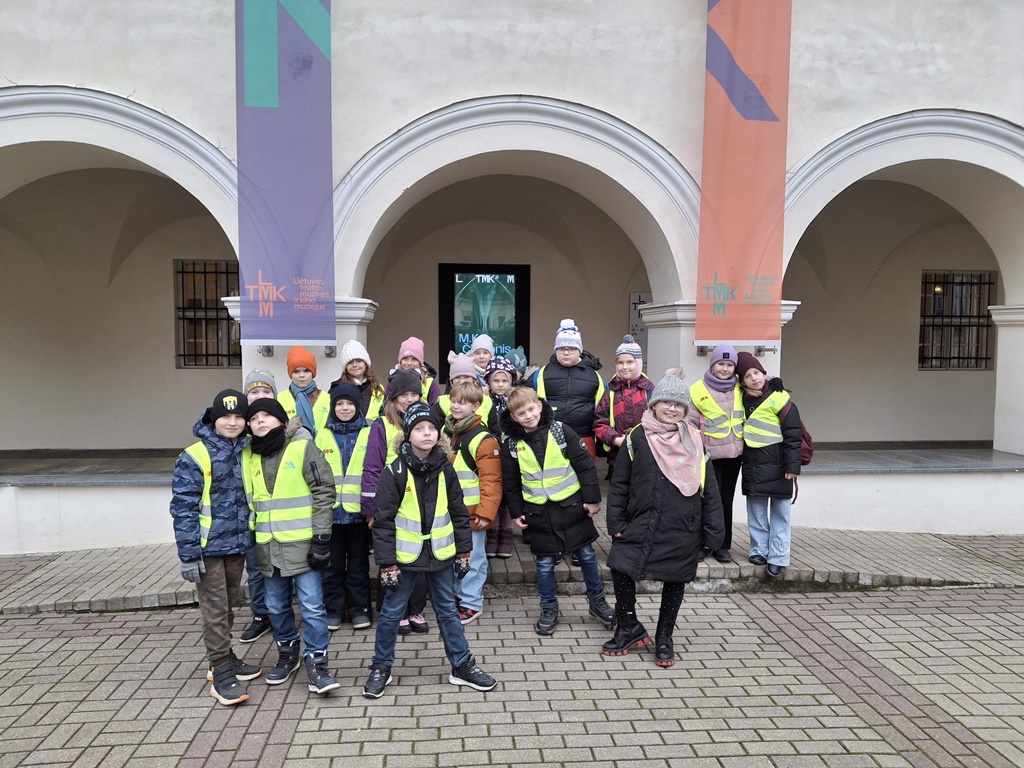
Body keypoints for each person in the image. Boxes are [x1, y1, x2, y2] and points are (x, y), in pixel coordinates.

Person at [363, 403, 497, 698]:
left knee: (447, 610)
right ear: (407, 434)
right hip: (404, 559)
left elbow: (459, 513)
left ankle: (462, 665)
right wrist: (386, 563)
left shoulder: (446, 469)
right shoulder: (394, 472)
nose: (427, 433)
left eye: (432, 428)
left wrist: (464, 551)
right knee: (391, 613)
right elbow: (383, 522)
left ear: (439, 433)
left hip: (441, 555)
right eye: (419, 428)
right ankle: (381, 667)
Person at [602, 370, 724, 667]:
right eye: (667, 402)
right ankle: (628, 626)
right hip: (640, 521)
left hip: (682, 524)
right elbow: (620, 484)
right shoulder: (636, 437)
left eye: (679, 404)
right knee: (620, 566)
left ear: (686, 410)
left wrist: (712, 534)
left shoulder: (695, 441)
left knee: (675, 578)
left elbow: (710, 490)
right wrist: (616, 523)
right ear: (654, 404)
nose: (672, 408)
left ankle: (665, 636)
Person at [242, 398, 340, 695]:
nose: (260, 421)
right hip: (267, 546)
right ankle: (287, 652)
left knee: (312, 606)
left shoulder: (302, 448)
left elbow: (324, 490)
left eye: (266, 416)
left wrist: (321, 537)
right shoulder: (248, 455)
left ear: (281, 420)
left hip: (303, 544)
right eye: (254, 418)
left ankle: (317, 661)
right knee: (275, 605)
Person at [170, 389, 262, 706]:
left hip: (237, 545)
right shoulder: (194, 456)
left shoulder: (248, 451)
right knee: (215, 610)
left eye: (238, 416)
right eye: (225, 416)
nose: (232, 422)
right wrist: (188, 554)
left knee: (228, 606)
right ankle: (220, 671)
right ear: (213, 419)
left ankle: (223, 655)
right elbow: (183, 508)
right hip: (206, 549)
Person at [499, 386, 614, 635]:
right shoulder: (511, 444)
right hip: (538, 512)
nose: (528, 416)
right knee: (544, 563)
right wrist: (517, 511)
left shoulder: (561, 430)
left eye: (531, 409)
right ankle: (549, 608)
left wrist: (592, 499)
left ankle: (598, 602)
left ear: (539, 406)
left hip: (572, 506)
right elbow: (511, 481)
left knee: (586, 556)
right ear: (513, 417)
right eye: (521, 413)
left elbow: (585, 466)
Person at [361, 368, 430, 634]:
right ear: (394, 397)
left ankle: (415, 609)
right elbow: (372, 468)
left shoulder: (427, 421)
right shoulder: (381, 425)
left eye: (414, 394)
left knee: (420, 555)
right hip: (390, 501)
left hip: (420, 500)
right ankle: (394, 609)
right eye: (404, 395)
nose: (409, 399)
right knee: (392, 556)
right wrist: (371, 510)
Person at [735, 352, 802, 579]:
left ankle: (778, 557)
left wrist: (792, 467)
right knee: (756, 510)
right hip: (753, 463)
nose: (754, 378)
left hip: (780, 465)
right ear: (742, 382)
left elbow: (793, 435)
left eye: (756, 372)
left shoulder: (780, 398)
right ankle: (759, 550)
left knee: (781, 512)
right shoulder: (740, 399)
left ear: (763, 373)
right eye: (747, 375)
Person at [315, 383, 373, 631]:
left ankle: (360, 609)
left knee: (359, 565)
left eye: (350, 403)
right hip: (330, 514)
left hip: (358, 514)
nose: (345, 408)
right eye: (340, 403)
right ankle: (333, 610)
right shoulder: (322, 434)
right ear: (333, 407)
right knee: (332, 567)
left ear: (358, 406)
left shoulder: (370, 432)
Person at [443, 381, 502, 624]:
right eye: (453, 401)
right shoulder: (447, 431)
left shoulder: (484, 439)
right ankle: (458, 596)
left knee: (473, 558)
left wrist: (486, 514)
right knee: (454, 557)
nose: (456, 406)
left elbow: (492, 480)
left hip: (473, 512)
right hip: (449, 511)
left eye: (463, 402)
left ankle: (471, 603)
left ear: (476, 406)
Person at [688, 345, 744, 563]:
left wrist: (773, 380)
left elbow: (760, 382)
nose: (725, 369)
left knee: (726, 500)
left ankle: (722, 545)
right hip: (708, 456)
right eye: (721, 363)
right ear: (713, 365)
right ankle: (702, 544)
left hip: (734, 455)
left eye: (729, 365)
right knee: (706, 500)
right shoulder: (697, 389)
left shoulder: (741, 387)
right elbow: (690, 423)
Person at [237, 369, 279, 645]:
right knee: (255, 569)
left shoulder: (288, 431)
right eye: (254, 391)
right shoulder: (240, 434)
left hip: (283, 516)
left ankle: (281, 614)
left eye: (266, 391)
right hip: (251, 515)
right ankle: (261, 615)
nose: (259, 396)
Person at [526, 319, 605, 458]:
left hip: (584, 436)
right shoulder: (540, 375)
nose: (566, 352)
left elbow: (605, 408)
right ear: (556, 350)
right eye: (562, 348)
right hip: (549, 436)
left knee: (585, 471)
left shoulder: (594, 377)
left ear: (580, 351)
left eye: (572, 348)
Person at [594, 334, 654, 479]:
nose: (625, 367)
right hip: (617, 456)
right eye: (620, 362)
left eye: (630, 362)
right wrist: (615, 439)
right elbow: (599, 423)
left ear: (638, 363)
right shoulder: (610, 391)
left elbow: (659, 421)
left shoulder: (650, 390)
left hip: (646, 455)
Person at [482, 356, 519, 558]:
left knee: (508, 494)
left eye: (505, 380)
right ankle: (492, 533)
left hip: (511, 454)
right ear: (488, 380)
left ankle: (506, 534)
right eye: (496, 380)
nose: (501, 384)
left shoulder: (514, 401)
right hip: (490, 454)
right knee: (493, 492)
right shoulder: (484, 401)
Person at [433, 352, 497, 432]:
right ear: (451, 381)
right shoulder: (442, 403)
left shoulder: (487, 401)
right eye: (457, 377)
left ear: (474, 380)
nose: (462, 381)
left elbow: (495, 433)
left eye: (466, 377)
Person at [278, 346, 330, 436]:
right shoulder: (279, 398)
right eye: (296, 371)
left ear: (312, 373)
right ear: (290, 374)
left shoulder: (328, 398)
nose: (301, 375)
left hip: (322, 444)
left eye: (306, 371)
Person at [331, 340, 386, 421]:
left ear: (365, 363)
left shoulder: (378, 389)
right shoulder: (336, 388)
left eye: (358, 361)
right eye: (350, 362)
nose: (354, 365)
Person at [394, 336, 441, 405]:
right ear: (400, 361)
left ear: (420, 363)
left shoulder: (430, 383)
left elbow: (436, 408)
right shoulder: (393, 381)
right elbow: (388, 407)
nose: (409, 363)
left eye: (414, 359)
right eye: (405, 358)